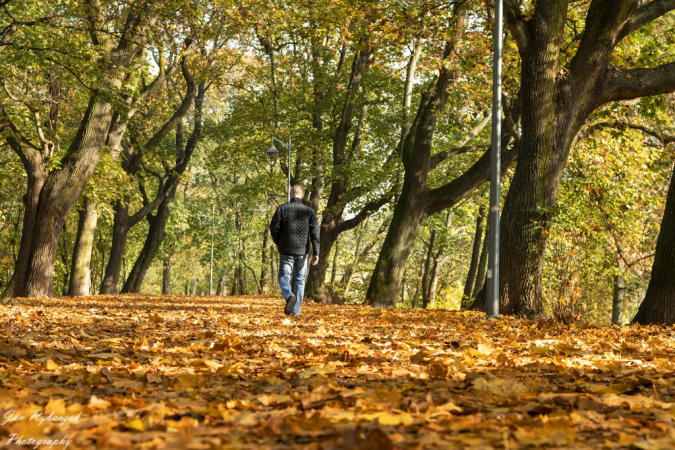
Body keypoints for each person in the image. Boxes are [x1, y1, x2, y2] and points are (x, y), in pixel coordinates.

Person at [269, 185, 320, 316]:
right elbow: (315, 233)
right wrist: (316, 252)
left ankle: (289, 296)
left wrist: (279, 241)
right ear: (302, 196)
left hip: (286, 250)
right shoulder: (309, 212)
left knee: (283, 277)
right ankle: (295, 312)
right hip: (302, 251)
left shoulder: (282, 209)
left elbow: (273, 228)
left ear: (291, 195)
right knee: (299, 281)